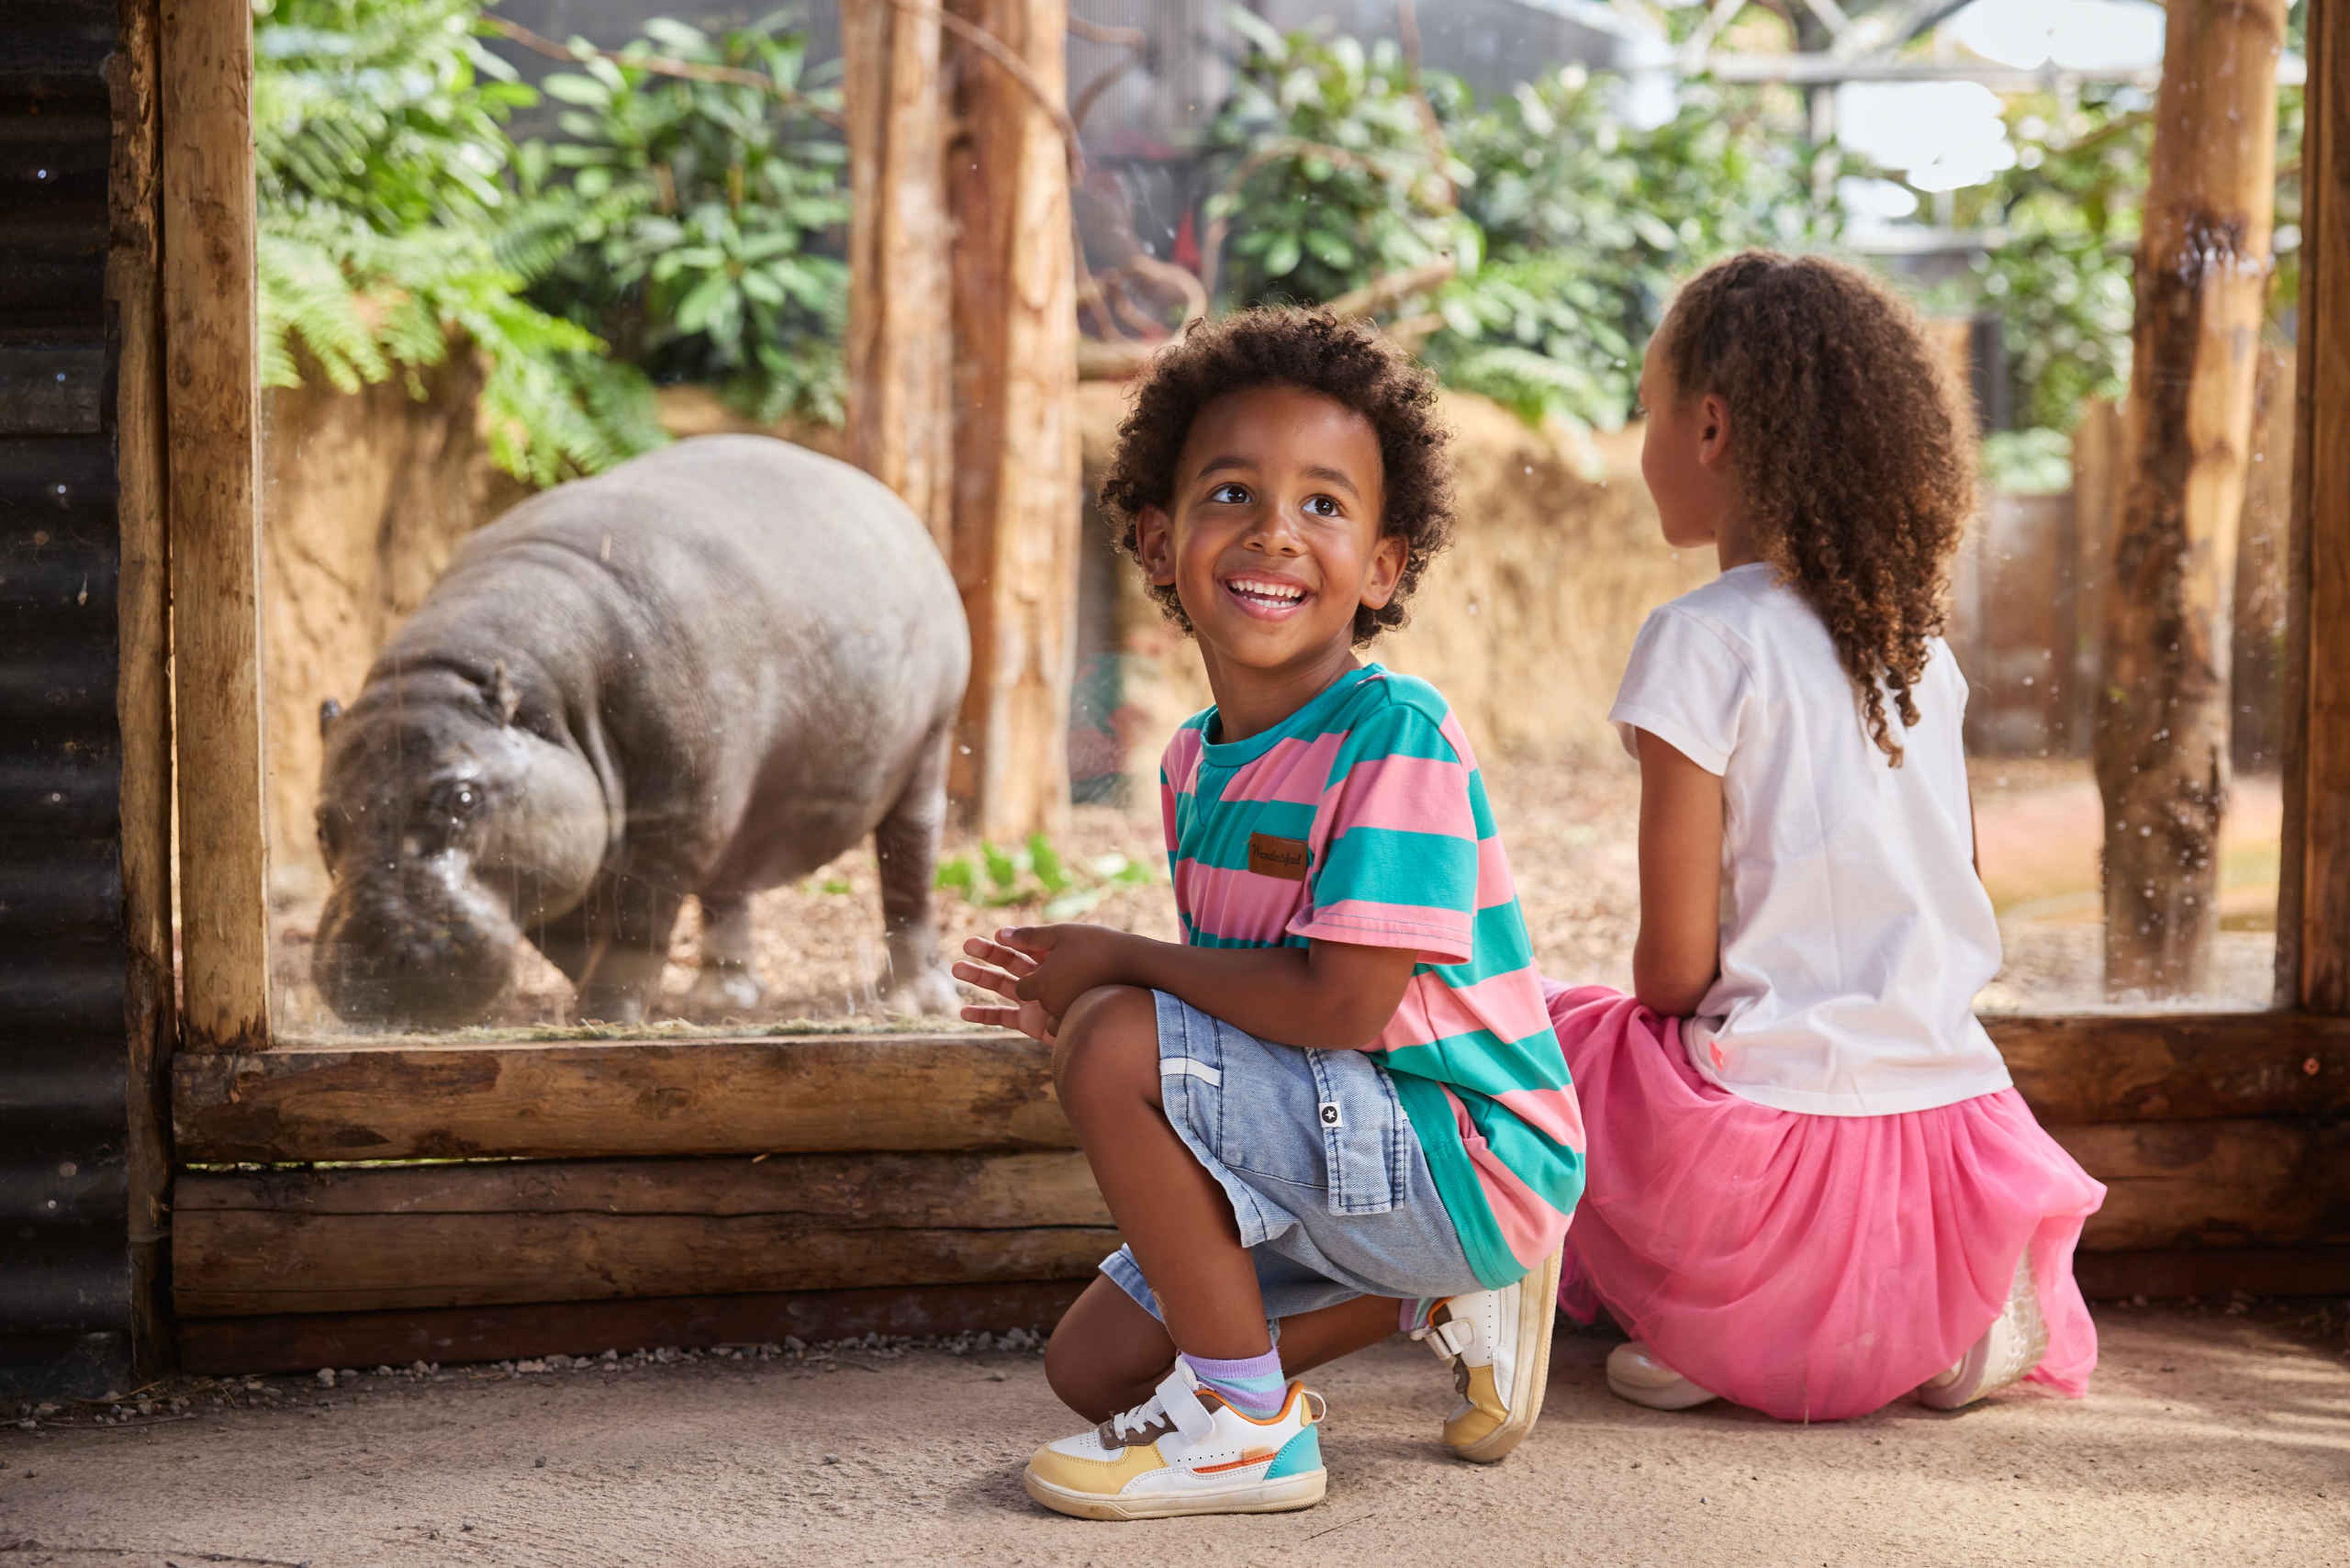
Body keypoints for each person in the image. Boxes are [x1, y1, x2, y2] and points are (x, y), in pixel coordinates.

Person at [955, 307, 1584, 1519]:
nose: (1276, 535)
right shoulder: (1197, 761)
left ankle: (1252, 1429)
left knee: (1119, 1039)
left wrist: (1121, 994)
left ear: (1387, 568)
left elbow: (1345, 1002)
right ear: (1159, 538)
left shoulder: (1394, 733)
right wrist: (1145, 1044)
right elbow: (1253, 1002)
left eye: (1326, 507)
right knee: (1092, 1369)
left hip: (1466, 1152)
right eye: (1232, 493)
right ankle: (1433, 1300)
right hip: (1353, 1138)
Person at [1550, 250, 2106, 1422]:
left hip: (1765, 1154)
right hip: (1951, 1131)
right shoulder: (1918, 652)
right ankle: (1943, 1317)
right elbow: (1948, 890)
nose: (1641, 437)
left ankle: (1733, 1318)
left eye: (1646, 409)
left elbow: (1672, 972)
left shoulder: (1700, 640)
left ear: (1708, 428)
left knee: (1559, 1031)